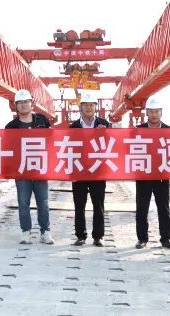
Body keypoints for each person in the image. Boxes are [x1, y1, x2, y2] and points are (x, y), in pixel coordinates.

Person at [5, 89, 54, 245]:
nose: (23, 105)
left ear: (31, 103)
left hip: (40, 168)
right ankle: (25, 231)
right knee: (23, 202)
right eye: (20, 102)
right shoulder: (11, 126)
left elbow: (52, 140)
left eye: (26, 102)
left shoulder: (42, 120)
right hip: (21, 170)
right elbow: (7, 148)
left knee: (43, 202)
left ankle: (45, 232)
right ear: (16, 106)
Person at [69, 92, 110, 247]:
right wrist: (71, 172)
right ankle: (81, 235)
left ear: (95, 107)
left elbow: (113, 144)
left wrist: (104, 133)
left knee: (98, 205)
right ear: (80, 108)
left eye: (91, 105)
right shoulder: (74, 126)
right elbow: (69, 150)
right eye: (85, 105)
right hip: (79, 171)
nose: (88, 108)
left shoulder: (104, 124)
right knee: (79, 205)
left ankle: (98, 236)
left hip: (98, 170)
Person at [134, 97, 170, 250]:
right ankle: (142, 238)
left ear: (161, 113)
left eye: (156, 111)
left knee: (163, 208)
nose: (154, 114)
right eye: (151, 111)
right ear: (147, 113)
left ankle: (166, 238)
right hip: (143, 175)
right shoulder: (138, 130)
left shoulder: (169, 131)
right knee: (142, 208)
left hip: (162, 176)